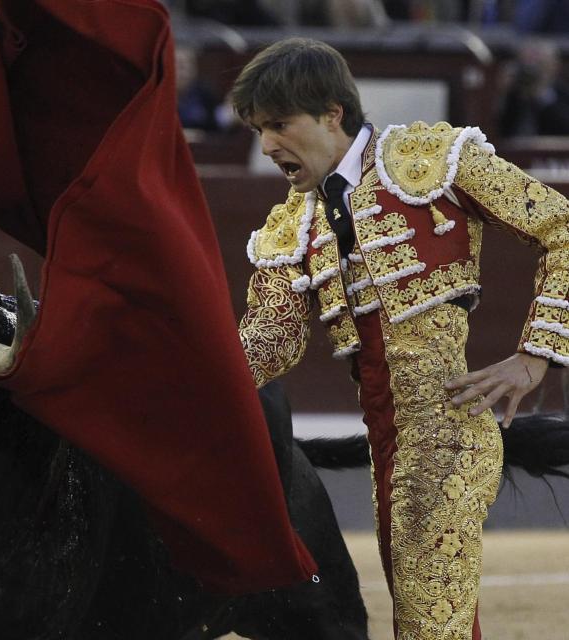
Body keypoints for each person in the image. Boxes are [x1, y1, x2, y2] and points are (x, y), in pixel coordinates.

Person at [233, 37, 567, 639]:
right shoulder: (292, 222)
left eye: (279, 124)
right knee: (430, 622)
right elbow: (269, 342)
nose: (267, 145)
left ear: (332, 113)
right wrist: (182, 375)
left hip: (446, 436)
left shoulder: (432, 160)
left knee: (427, 626)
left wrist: (536, 355)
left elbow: (562, 227)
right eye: (258, 129)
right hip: (384, 446)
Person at [498, 38, 569, 136]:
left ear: (554, 66)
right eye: (528, 64)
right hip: (513, 147)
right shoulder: (514, 93)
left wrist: (542, 95)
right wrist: (503, 93)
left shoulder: (563, 93)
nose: (533, 71)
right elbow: (500, 126)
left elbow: (564, 127)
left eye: (540, 63)